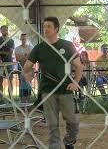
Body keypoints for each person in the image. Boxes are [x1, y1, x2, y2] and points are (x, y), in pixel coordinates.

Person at [23, 16, 83, 149]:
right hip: (47, 90)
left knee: (73, 121)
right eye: (44, 27)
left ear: (56, 29)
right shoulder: (39, 48)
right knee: (52, 124)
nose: (45, 29)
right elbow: (26, 67)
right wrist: (29, 75)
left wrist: (76, 82)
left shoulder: (67, 45)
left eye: (48, 26)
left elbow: (79, 66)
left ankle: (69, 141)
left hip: (65, 88)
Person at [15, 33, 33, 102]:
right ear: (20, 39)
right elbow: (17, 58)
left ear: (27, 39)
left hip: (29, 67)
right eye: (22, 38)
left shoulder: (30, 47)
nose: (23, 40)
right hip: (21, 67)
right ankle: (22, 99)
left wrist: (22, 56)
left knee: (28, 82)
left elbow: (31, 57)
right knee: (22, 83)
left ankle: (28, 99)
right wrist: (25, 56)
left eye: (25, 38)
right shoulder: (17, 48)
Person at [0, 25, 15, 101]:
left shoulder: (11, 40)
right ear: (1, 31)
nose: (4, 31)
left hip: (9, 62)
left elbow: (11, 51)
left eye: (6, 30)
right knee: (0, 80)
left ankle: (11, 98)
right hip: (0, 64)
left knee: (10, 79)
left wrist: (2, 52)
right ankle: (1, 98)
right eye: (3, 30)